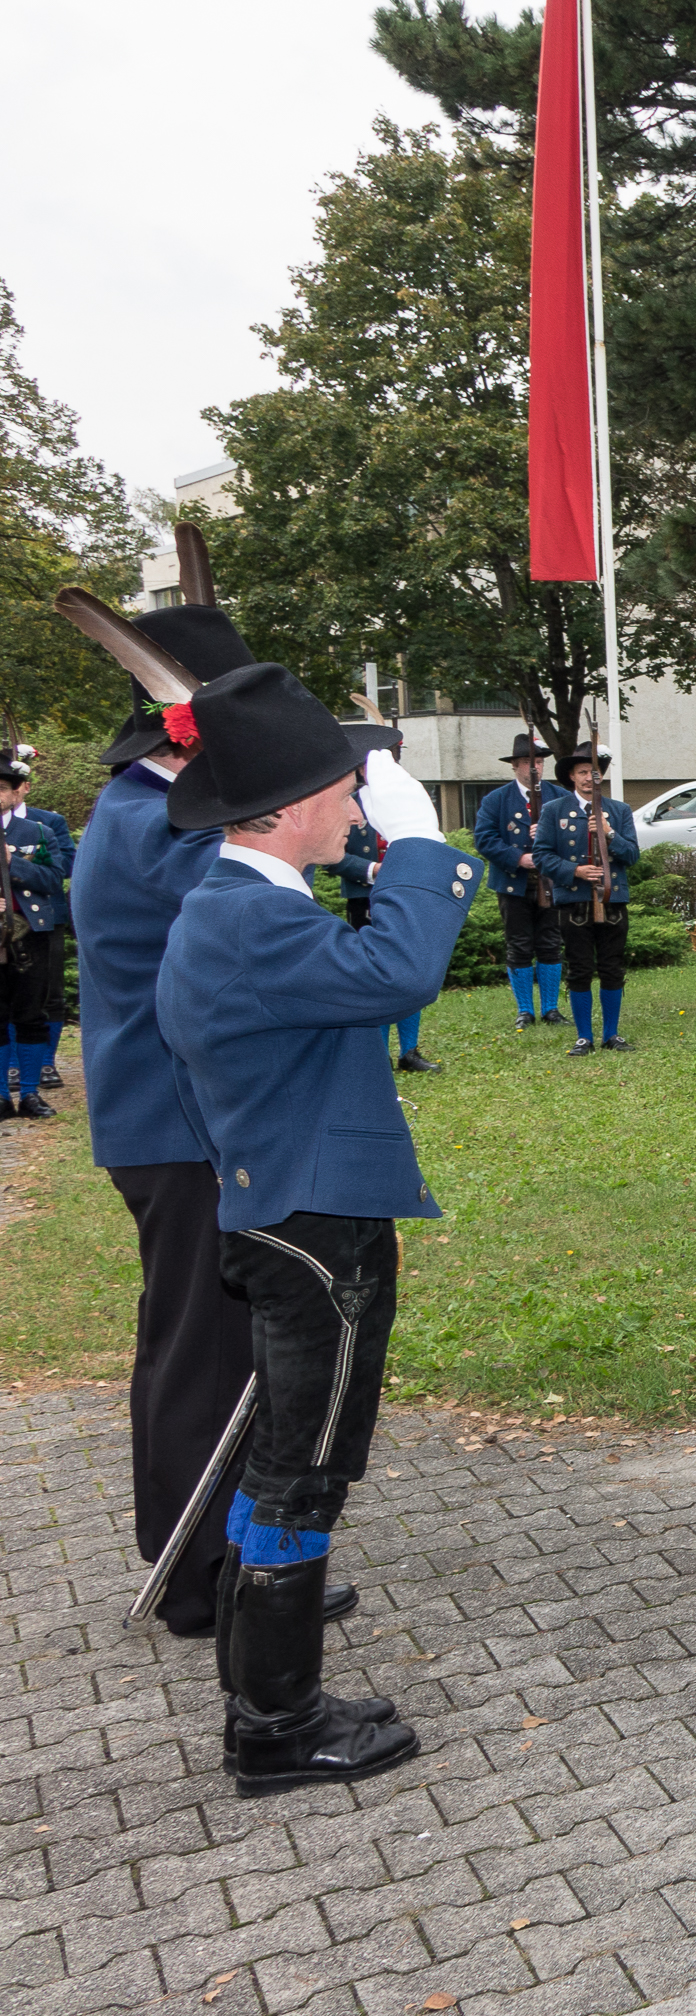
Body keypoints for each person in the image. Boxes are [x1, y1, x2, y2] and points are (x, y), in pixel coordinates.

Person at [154, 660, 471, 1794]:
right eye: (348, 791)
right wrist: (423, 845)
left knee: (285, 1463)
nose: (357, 808)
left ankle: (268, 1703)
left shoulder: (249, 908)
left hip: (293, 1210)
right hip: (311, 1229)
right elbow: (401, 969)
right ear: (288, 808)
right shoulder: (246, 918)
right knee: (305, 1473)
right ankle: (277, 1725)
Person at [57, 578, 297, 1639]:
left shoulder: (154, 810)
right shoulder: (160, 824)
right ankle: (204, 1575)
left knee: (214, 1344)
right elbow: (261, 927)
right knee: (203, 1352)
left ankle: (226, 1549)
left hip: (185, 1121)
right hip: (181, 1124)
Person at [536, 745, 641, 1057]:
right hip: (574, 899)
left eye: (593, 772)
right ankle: (584, 1036)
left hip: (612, 899)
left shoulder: (618, 811)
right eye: (582, 772)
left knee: (612, 967)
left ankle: (611, 1033)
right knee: (580, 967)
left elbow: (632, 855)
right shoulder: (554, 810)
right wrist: (575, 870)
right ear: (571, 776)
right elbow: (542, 856)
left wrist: (609, 834)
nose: (588, 778)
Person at [326, 815, 440, 1073]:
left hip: (407, 894)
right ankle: (379, 1054)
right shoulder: (348, 806)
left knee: (411, 968)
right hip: (363, 897)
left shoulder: (402, 806)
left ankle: (409, 1052)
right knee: (374, 974)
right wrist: (372, 870)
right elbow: (330, 856)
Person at [472, 732, 567, 1030]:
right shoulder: (496, 800)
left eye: (538, 761)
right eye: (527, 762)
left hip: (551, 882)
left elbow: (574, 838)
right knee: (519, 945)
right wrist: (518, 858)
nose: (534, 767)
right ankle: (525, 1010)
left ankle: (551, 1008)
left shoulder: (559, 797)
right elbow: (484, 839)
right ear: (514, 765)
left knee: (551, 944)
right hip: (513, 882)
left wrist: (551, 839)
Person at [1, 755, 71, 1119]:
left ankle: (29, 1093)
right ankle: (0, 1096)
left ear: (16, 793)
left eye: (0, 789)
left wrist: (16, 864)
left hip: (30, 935)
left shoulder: (37, 833)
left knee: (30, 1013)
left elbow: (51, 880)